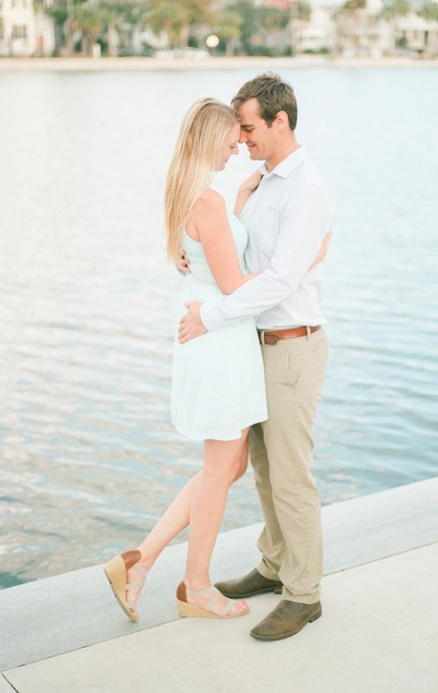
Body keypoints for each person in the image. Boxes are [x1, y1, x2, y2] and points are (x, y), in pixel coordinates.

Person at [104, 98, 328, 622]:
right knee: (220, 468)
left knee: (223, 468)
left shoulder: (189, 194)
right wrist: (303, 260)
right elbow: (235, 284)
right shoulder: (206, 202)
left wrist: (245, 197)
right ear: (210, 140)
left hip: (214, 335)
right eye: (231, 141)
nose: (237, 150)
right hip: (222, 339)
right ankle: (194, 585)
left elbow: (212, 261)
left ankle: (140, 561)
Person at [178, 73, 335, 641]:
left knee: (292, 476)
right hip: (257, 346)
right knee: (265, 472)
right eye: (238, 129)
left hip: (292, 344)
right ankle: (274, 565)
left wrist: (211, 315)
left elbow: (280, 279)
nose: (241, 138)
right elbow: (238, 254)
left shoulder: (305, 188)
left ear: (279, 121)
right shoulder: (261, 181)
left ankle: (304, 593)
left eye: (247, 127)